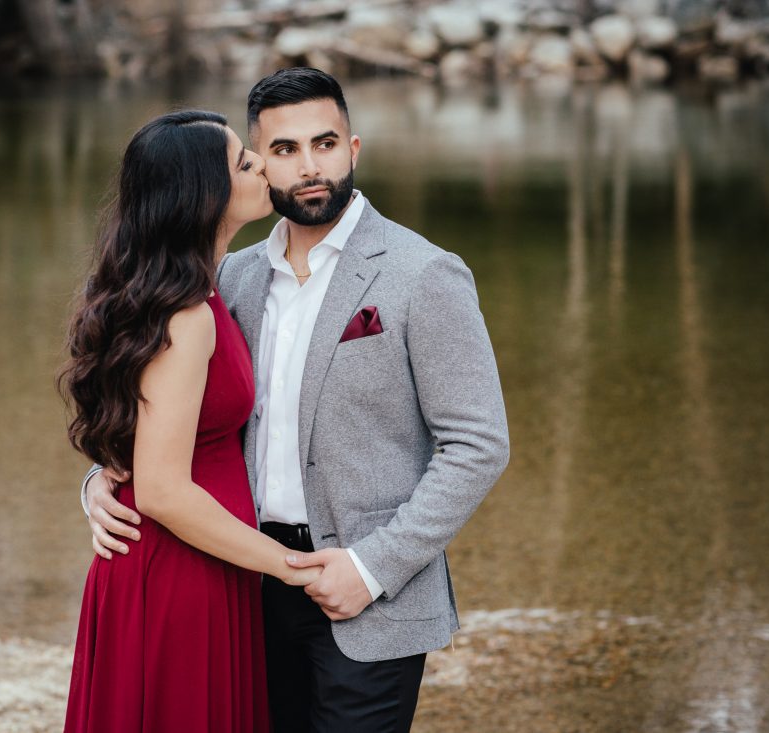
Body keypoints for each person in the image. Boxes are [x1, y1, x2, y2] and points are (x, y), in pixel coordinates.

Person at [83, 68, 510, 732]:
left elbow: (477, 445)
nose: (310, 167)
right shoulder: (230, 276)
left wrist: (372, 567)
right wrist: (103, 483)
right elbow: (170, 414)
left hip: (367, 594)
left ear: (354, 148)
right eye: (283, 150)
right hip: (241, 586)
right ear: (254, 164)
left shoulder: (423, 273)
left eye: (325, 143)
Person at [57, 109, 321, 733]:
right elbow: (164, 490)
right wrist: (291, 566)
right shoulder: (186, 316)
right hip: (182, 570)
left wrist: (98, 477)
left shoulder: (193, 293)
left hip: (201, 558)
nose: (261, 164)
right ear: (204, 194)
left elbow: (141, 439)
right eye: (243, 161)